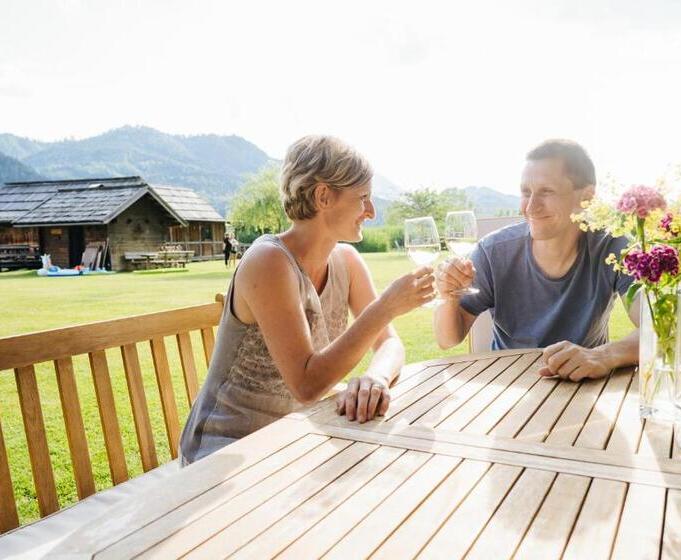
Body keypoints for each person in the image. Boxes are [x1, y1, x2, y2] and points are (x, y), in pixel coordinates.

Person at [179, 135, 435, 465]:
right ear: (323, 196)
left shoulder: (347, 261)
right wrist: (385, 307)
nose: (371, 212)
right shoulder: (269, 261)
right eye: (363, 198)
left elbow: (391, 345)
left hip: (292, 439)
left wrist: (376, 377)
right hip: (226, 451)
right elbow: (307, 384)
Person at [433, 139, 639, 381]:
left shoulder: (612, 246)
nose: (531, 207)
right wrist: (448, 296)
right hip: (509, 384)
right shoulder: (493, 252)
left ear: (587, 197)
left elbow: (658, 330)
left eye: (546, 191)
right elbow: (448, 339)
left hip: (584, 383)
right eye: (525, 192)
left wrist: (602, 356)